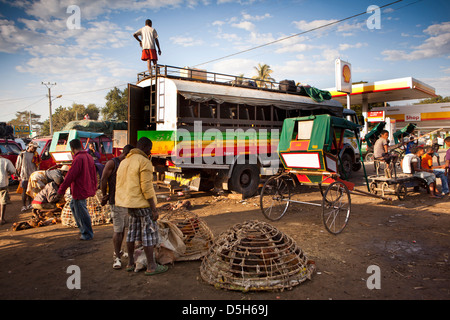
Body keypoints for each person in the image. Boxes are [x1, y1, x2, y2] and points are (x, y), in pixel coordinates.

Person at [115, 137, 168, 275]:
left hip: (129, 204)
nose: (150, 152)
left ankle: (131, 263)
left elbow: (120, 184)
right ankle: (152, 266)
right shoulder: (144, 162)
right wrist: (153, 208)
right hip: (143, 204)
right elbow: (146, 187)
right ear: (145, 148)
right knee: (148, 234)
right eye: (149, 149)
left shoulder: (124, 162)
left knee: (132, 233)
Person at [100, 144, 134, 269]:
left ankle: (120, 251)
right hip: (116, 201)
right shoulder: (112, 163)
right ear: (126, 154)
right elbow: (103, 179)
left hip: (129, 201)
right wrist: (104, 195)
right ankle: (117, 257)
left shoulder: (129, 164)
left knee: (126, 229)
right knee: (118, 231)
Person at [57, 139, 97, 240]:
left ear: (72, 148)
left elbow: (70, 176)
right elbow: (93, 174)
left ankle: (86, 233)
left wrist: (61, 190)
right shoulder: (89, 157)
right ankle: (83, 230)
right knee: (74, 206)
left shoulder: (78, 158)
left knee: (81, 211)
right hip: (86, 187)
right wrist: (93, 187)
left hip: (79, 189)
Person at [16, 142, 41, 212]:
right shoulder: (22, 154)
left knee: (31, 190)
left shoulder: (36, 155)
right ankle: (24, 205)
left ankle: (30, 204)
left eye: (35, 148)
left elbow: (38, 165)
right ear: (29, 146)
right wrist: (18, 175)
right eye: (33, 147)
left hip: (33, 175)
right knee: (24, 190)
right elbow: (18, 165)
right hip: (25, 175)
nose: (34, 149)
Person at [0, 151, 16, 224]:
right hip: (3, 183)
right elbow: (13, 171)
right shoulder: (6, 161)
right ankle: (1, 218)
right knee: (3, 201)